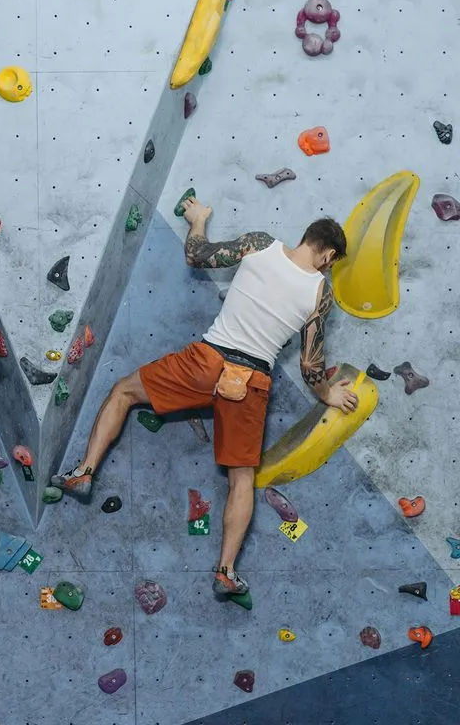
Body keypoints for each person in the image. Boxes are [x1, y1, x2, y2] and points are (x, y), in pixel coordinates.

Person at [51, 197, 359, 597]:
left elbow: (196, 256)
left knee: (124, 391)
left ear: (306, 238)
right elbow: (310, 365)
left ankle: (83, 474)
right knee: (242, 479)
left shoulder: (260, 244)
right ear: (329, 255)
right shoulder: (320, 293)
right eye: (333, 263)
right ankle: (226, 573)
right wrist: (327, 393)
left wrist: (197, 221)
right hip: (251, 384)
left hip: (206, 362)